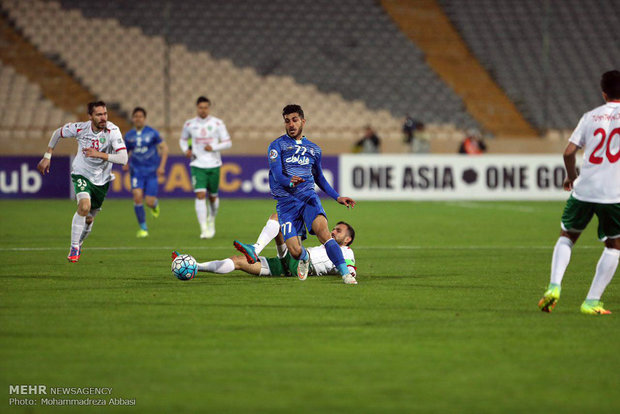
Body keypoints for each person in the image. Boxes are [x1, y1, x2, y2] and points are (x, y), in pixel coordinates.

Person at [538, 70, 620, 315]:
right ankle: (592, 301)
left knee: (567, 236)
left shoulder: (590, 116)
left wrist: (572, 177)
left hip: (584, 190)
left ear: (603, 93)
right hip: (613, 194)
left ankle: (554, 286)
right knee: (614, 246)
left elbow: (568, 152)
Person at [264, 104, 358, 284]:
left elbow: (319, 177)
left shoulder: (314, 149)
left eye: (294, 120)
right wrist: (290, 181)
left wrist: (337, 196)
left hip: (308, 198)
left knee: (324, 232)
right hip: (287, 204)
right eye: (287, 121)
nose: (291, 124)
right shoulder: (277, 146)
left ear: (303, 121)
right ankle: (304, 257)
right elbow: (277, 174)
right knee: (294, 251)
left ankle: (345, 274)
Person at [36, 101, 128, 262]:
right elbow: (58, 132)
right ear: (90, 116)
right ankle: (74, 247)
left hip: (102, 180)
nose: (103, 118)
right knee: (84, 206)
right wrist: (47, 155)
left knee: (89, 218)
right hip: (81, 173)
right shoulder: (80, 128)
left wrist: (99, 154)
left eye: (105, 114)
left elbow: (123, 158)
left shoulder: (113, 131)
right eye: (99, 114)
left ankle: (79, 242)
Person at [173, 216, 356, 279]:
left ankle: (256, 248)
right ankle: (195, 266)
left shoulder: (346, 252)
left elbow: (348, 268)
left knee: (279, 217)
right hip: (288, 264)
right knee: (238, 261)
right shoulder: (328, 246)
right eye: (333, 229)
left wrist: (349, 274)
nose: (332, 232)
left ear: (347, 240)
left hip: (300, 263)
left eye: (338, 231)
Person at [179, 96, 231, 239]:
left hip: (214, 164)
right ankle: (203, 228)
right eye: (201, 107)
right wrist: (186, 150)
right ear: (197, 108)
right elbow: (183, 140)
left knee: (213, 197)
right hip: (197, 164)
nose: (203, 110)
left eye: (205, 107)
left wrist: (213, 147)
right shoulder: (189, 125)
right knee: (200, 194)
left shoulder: (217, 123)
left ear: (209, 108)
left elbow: (227, 142)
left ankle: (211, 220)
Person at [123, 107, 168, 238]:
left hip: (151, 172)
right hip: (136, 171)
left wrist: (162, 166)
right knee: (137, 196)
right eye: (135, 116)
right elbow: (125, 151)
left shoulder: (153, 133)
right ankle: (143, 228)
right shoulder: (129, 135)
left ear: (144, 118)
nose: (138, 119)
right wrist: (125, 162)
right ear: (133, 118)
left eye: (140, 116)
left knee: (149, 201)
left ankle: (155, 205)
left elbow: (164, 148)